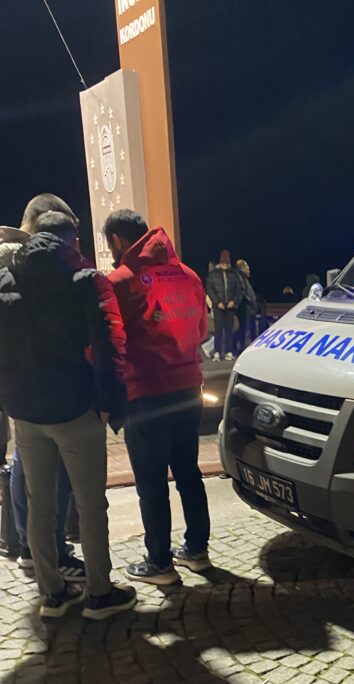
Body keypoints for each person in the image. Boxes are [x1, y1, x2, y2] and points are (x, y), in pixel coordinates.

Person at [0, 211, 135, 619]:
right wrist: (111, 403)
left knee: (39, 504)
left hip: (25, 413)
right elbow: (107, 345)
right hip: (76, 409)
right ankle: (99, 594)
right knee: (91, 505)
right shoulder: (84, 280)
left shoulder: (5, 278)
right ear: (71, 241)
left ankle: (52, 595)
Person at [104, 209, 212, 586]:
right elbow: (202, 329)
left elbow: (110, 341)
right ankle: (197, 550)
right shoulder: (189, 276)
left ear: (117, 240)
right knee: (188, 473)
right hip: (188, 388)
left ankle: (159, 562)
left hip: (146, 394)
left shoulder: (121, 281)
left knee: (151, 482)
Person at [0, 195, 97, 583]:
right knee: (51, 482)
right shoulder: (25, 261)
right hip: (48, 389)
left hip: (18, 389)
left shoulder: (11, 258)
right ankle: (50, 557)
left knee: (27, 472)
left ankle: (34, 555)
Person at [206, 250, 243, 361]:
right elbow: (210, 289)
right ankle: (217, 352)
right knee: (218, 330)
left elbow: (239, 289)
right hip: (218, 307)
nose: (225, 265)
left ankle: (228, 352)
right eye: (223, 263)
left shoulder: (235, 274)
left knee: (229, 330)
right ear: (220, 262)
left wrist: (234, 301)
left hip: (230, 307)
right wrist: (217, 302)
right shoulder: (213, 275)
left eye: (227, 263)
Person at [234, 259, 258, 354]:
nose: (248, 268)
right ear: (242, 267)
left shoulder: (243, 277)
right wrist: (249, 302)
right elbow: (242, 292)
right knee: (241, 328)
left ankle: (239, 347)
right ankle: (239, 348)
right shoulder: (239, 277)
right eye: (246, 266)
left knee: (243, 328)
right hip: (243, 307)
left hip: (247, 307)